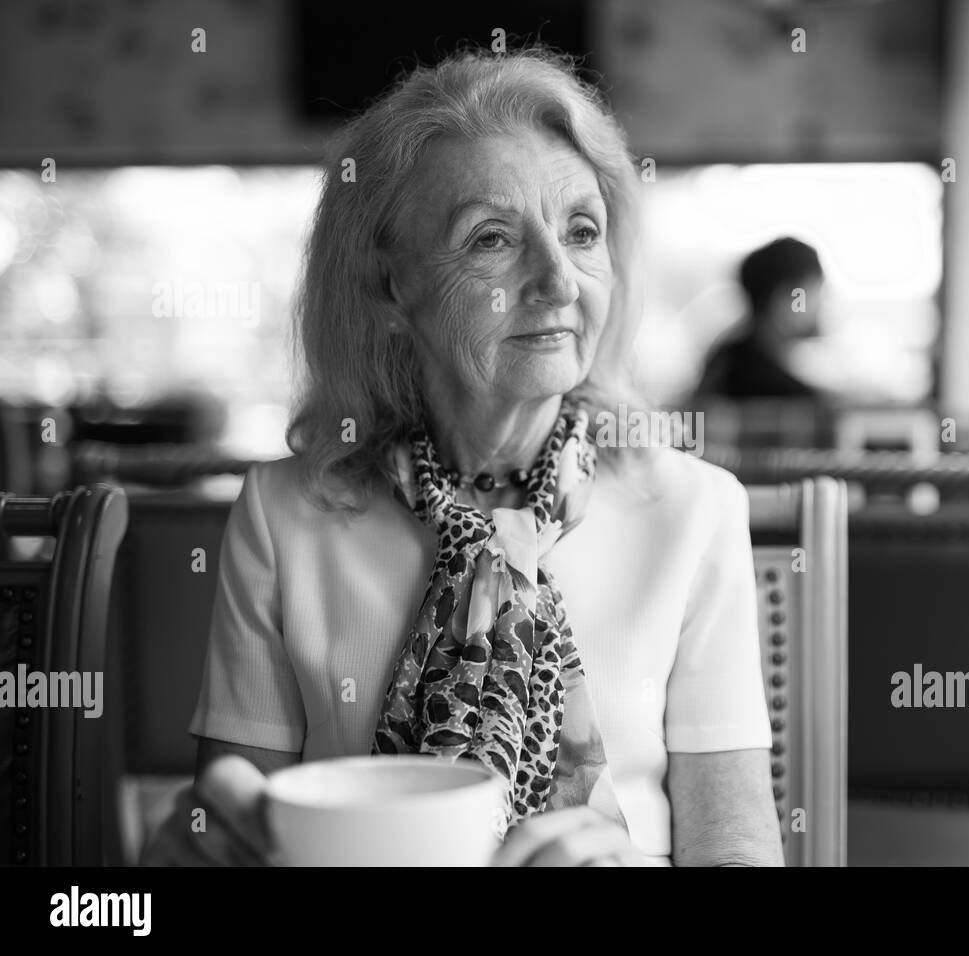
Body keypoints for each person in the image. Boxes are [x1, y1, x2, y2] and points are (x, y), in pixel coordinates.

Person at [142, 50, 783, 867]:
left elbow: (737, 852)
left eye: (583, 231)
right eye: (491, 239)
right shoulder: (283, 513)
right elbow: (230, 833)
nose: (558, 279)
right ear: (387, 291)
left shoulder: (695, 510)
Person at [696, 237, 825, 400]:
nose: (820, 304)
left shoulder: (725, 358)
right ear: (786, 300)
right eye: (814, 292)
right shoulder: (784, 394)